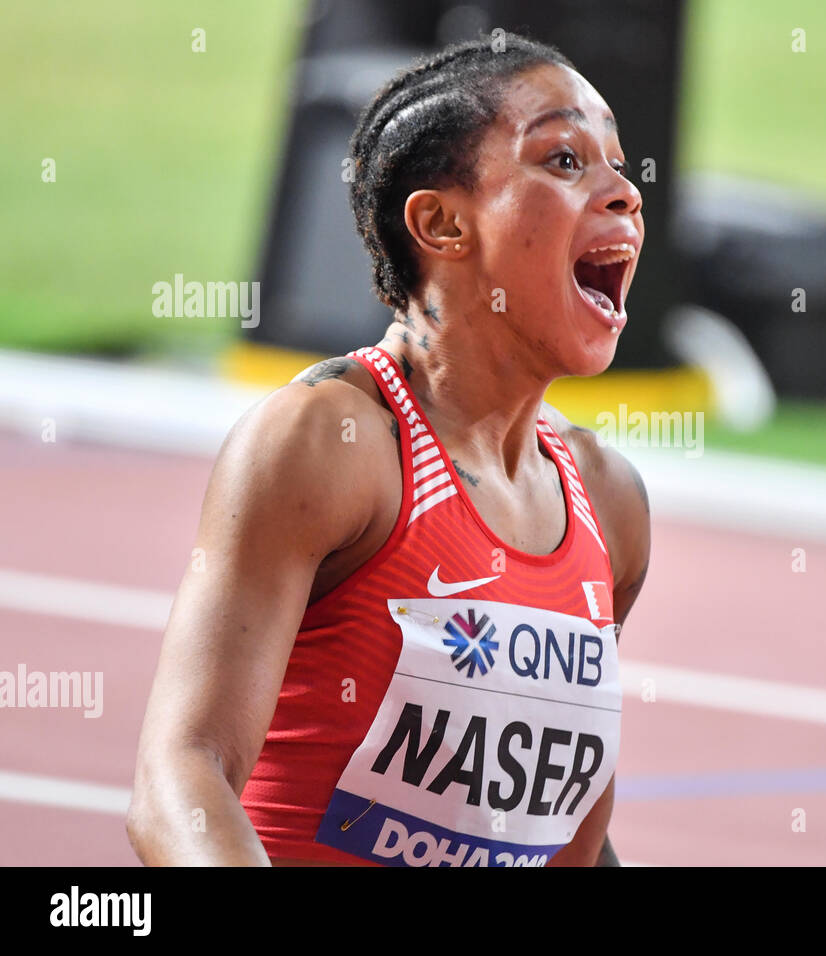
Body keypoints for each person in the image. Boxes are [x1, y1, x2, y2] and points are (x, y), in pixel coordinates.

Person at [126, 32, 651, 867]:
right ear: (441, 223)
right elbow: (179, 778)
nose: (623, 193)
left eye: (619, 164)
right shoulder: (328, 445)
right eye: (563, 159)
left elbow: (551, 831)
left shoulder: (608, 501)